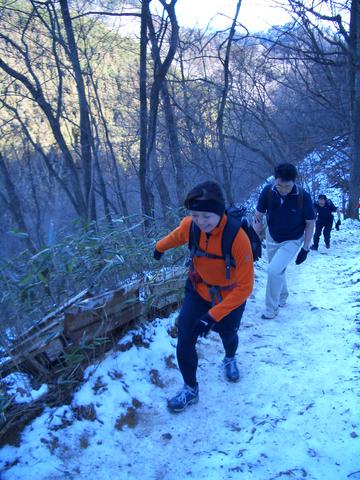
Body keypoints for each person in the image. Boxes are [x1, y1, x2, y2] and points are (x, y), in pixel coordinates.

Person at [153, 181, 254, 413]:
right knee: (185, 339)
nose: (201, 221)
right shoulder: (192, 226)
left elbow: (245, 287)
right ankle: (190, 389)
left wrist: (212, 316)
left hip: (230, 297)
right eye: (195, 215)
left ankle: (229, 357)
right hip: (198, 290)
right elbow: (176, 235)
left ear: (219, 211)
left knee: (228, 333)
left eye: (206, 215)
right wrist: (159, 248)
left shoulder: (238, 239)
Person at [252, 163, 316, 320]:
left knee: (273, 270)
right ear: (275, 180)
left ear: (294, 181)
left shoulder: (303, 196)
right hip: (272, 236)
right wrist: (254, 237)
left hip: (293, 239)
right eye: (279, 185)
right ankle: (282, 296)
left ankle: (270, 309)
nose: (282, 189)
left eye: (287, 186)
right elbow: (258, 215)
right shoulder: (268, 190)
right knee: (277, 269)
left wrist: (305, 248)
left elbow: (310, 223)